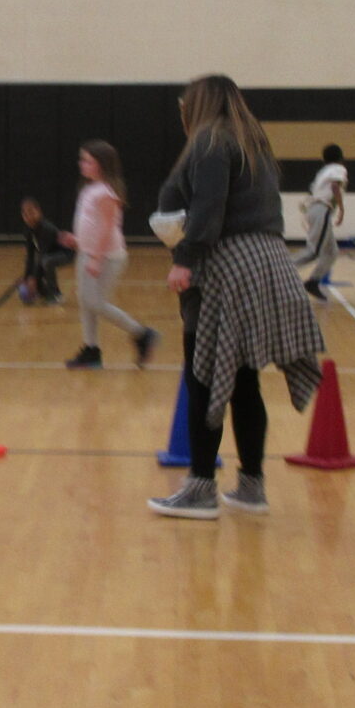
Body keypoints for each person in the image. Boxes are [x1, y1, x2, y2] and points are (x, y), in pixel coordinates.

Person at [147, 75, 324, 520]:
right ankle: (251, 485)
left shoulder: (209, 140)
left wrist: (185, 258)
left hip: (227, 263)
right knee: (244, 379)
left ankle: (201, 488)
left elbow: (209, 207)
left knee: (204, 374)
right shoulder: (251, 141)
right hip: (266, 261)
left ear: (199, 104)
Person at [63, 141, 155, 369]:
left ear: (101, 165)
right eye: (81, 159)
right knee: (86, 303)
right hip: (88, 252)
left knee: (95, 302)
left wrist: (96, 257)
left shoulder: (106, 193)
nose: (81, 164)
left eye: (87, 161)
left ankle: (141, 334)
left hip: (107, 257)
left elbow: (107, 227)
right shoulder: (89, 189)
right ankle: (91, 350)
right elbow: (91, 224)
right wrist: (79, 241)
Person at [296, 144, 348, 299]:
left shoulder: (323, 171)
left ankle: (313, 281)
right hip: (321, 210)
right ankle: (280, 270)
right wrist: (342, 209)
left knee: (331, 252)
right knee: (314, 251)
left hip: (315, 209)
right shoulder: (339, 169)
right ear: (341, 158)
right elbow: (335, 186)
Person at [18, 197, 73, 303]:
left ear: (38, 211)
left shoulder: (46, 228)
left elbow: (42, 255)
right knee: (38, 269)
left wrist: (33, 278)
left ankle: (56, 295)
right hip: (48, 256)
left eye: (31, 212)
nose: (28, 217)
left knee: (46, 262)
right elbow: (30, 256)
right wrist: (26, 277)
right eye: (25, 214)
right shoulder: (29, 230)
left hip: (66, 254)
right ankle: (43, 293)